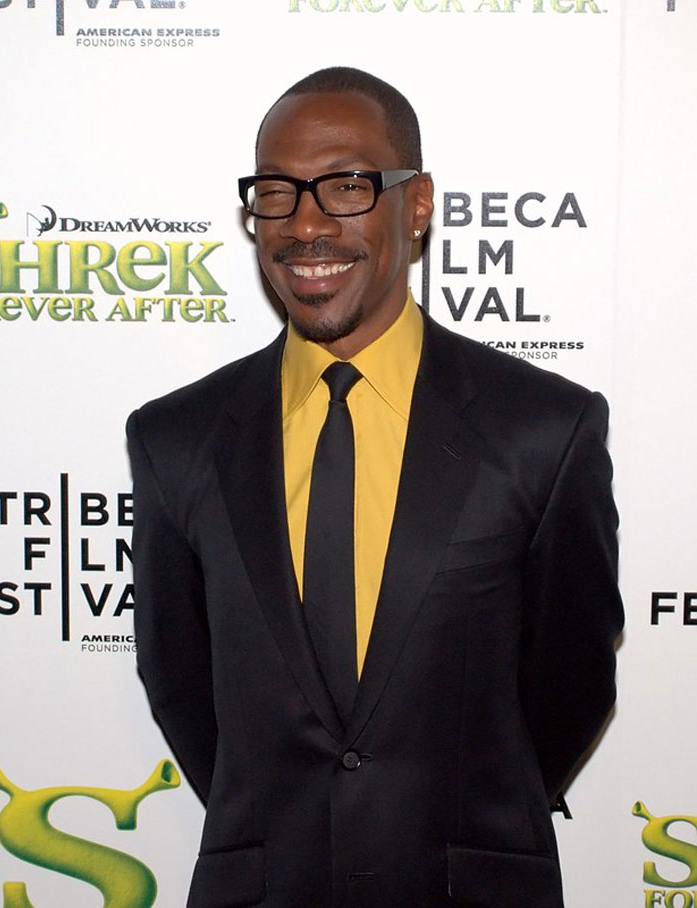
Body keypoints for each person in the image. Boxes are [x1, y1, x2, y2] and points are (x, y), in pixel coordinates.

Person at [126, 66, 623, 908]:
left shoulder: (543, 429)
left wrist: (467, 818)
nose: (306, 224)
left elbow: (571, 683)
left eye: (347, 185)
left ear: (416, 204)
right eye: (276, 193)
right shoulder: (177, 439)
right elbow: (179, 683)